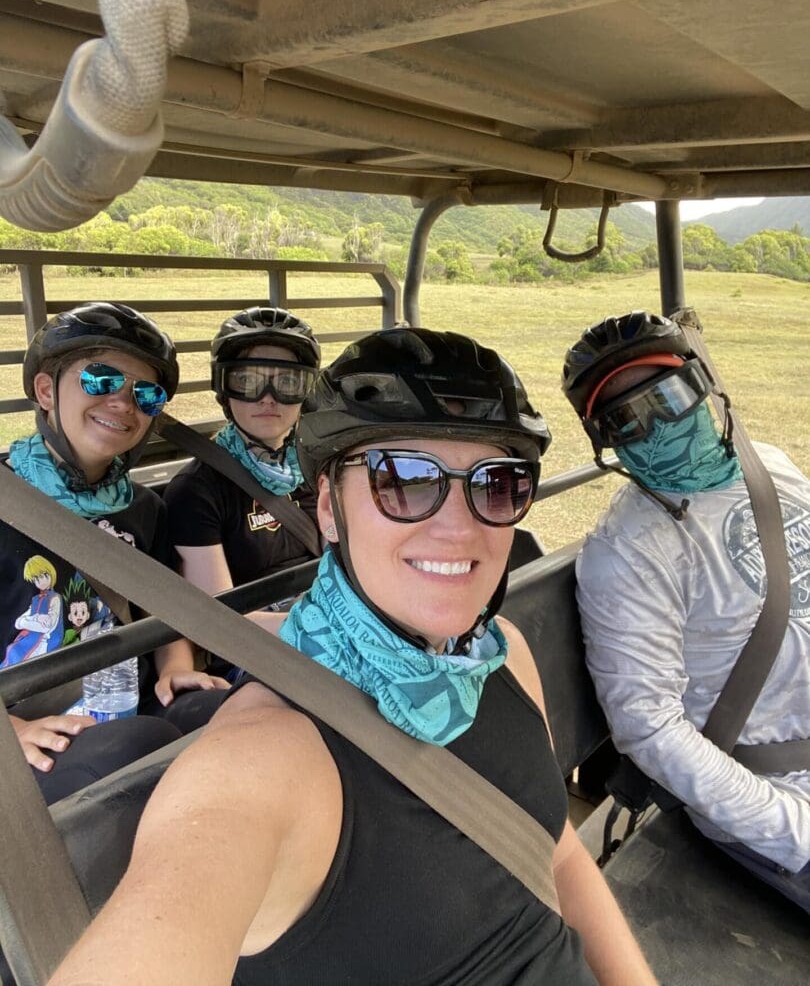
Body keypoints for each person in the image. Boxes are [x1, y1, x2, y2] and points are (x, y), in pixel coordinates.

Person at [51, 327, 654, 985]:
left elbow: (559, 857)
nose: (459, 527)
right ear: (331, 510)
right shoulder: (260, 762)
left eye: (498, 483)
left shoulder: (501, 656)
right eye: (406, 478)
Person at [562, 310, 810, 909]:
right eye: (625, 418)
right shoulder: (627, 554)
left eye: (669, 394)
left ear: (703, 386)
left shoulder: (769, 464)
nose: (657, 427)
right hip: (777, 792)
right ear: (606, 440)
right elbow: (649, 727)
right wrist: (790, 827)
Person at [1, 302, 184, 803]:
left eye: (145, 394)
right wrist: (10, 730)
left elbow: (168, 606)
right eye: (101, 380)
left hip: (130, 700)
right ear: (45, 390)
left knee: (221, 711)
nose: (124, 403)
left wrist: (177, 667)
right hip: (32, 729)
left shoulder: (144, 507)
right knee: (139, 748)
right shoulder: (5, 502)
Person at [159, 307, 321, 711]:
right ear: (225, 391)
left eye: (287, 382)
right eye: (248, 381)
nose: (268, 398)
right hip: (261, 651)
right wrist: (329, 631)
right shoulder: (198, 491)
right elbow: (222, 623)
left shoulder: (320, 468)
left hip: (330, 621)